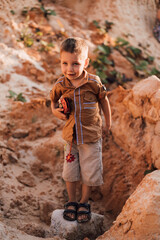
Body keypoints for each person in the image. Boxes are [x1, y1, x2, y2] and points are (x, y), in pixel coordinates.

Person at [50, 37, 111, 223]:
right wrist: (55, 111)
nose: (70, 69)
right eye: (65, 63)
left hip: (91, 136)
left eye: (76, 64)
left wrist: (108, 123)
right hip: (71, 137)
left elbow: (104, 100)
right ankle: (72, 201)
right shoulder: (61, 84)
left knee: (89, 170)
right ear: (60, 62)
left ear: (85, 62)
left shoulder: (93, 82)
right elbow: (52, 100)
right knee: (70, 171)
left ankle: (84, 202)